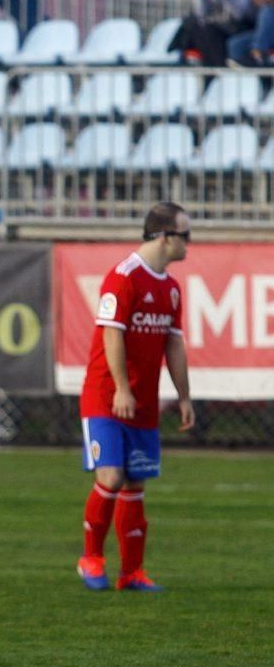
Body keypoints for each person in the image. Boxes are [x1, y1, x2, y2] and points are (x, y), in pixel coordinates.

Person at [77, 201, 195, 593]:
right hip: (106, 397)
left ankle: (132, 572)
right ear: (164, 237)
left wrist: (184, 396)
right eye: (184, 236)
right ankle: (91, 558)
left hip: (143, 402)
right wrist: (123, 389)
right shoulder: (123, 277)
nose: (189, 244)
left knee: (135, 484)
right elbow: (112, 334)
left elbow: (173, 346)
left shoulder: (171, 289)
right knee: (111, 475)